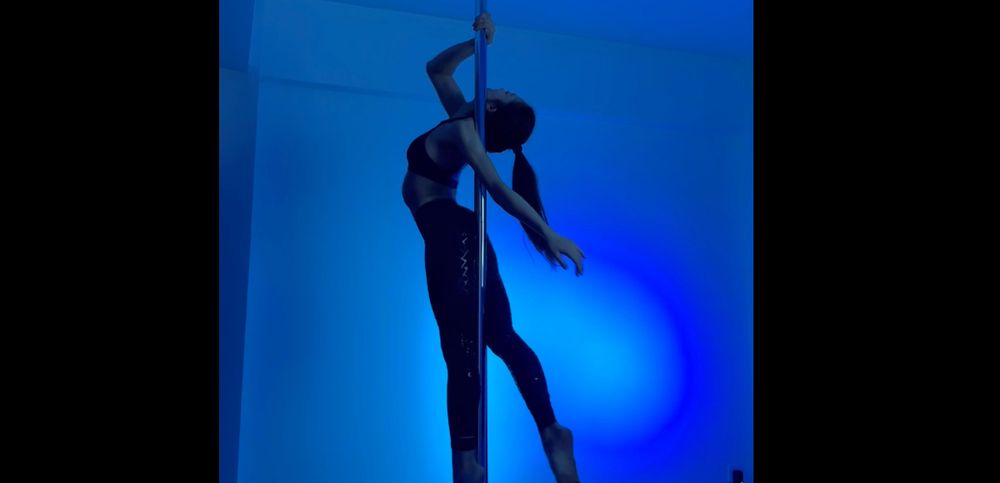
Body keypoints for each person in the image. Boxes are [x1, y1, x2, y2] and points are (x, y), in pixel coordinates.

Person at [400, 11, 585, 483]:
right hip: (464, 237)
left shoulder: (464, 132)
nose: (501, 87)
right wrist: (476, 42)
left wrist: (548, 233)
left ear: (495, 107)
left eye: (506, 93)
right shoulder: (462, 120)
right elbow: (437, 70)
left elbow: (498, 190)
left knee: (461, 346)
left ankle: (468, 462)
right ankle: (552, 430)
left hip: (451, 238)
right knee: (501, 336)